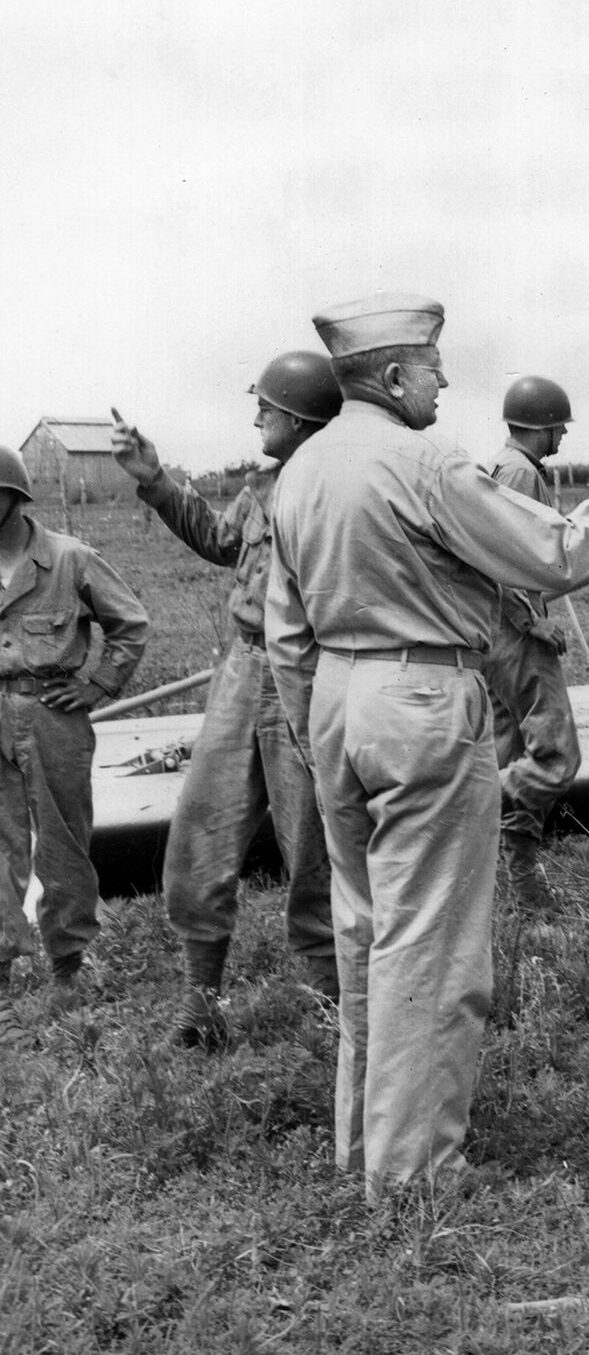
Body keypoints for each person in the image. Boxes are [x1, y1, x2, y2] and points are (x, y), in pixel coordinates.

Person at [264, 293, 589, 1197]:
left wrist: (319, 731)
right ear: (396, 376)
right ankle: (414, 1177)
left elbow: (285, 634)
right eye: (435, 367)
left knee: (367, 934)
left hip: (334, 703)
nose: (444, 381)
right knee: (432, 946)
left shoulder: (301, 470)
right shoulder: (424, 460)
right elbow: (555, 555)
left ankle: (361, 1148)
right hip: (421, 699)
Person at [112, 355, 339, 1049]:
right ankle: (198, 1005)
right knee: (200, 831)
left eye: (265, 409)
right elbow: (217, 540)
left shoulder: (338, 484)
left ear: (297, 416)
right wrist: (154, 480)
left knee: (316, 844)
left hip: (310, 674)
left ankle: (335, 1007)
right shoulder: (258, 488)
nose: (255, 419)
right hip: (244, 670)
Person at [0, 445, 148, 1008]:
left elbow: (129, 622)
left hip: (51, 714)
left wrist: (99, 684)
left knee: (63, 841)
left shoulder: (69, 559)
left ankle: (69, 964)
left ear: (12, 500)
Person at [484, 374, 582, 912]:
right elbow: (502, 553)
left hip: (493, 638)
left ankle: (521, 886)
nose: (562, 437)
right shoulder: (519, 472)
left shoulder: (506, 467)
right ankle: (468, 798)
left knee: (516, 750)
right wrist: (529, 621)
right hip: (514, 633)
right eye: (559, 428)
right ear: (540, 426)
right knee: (556, 756)